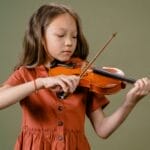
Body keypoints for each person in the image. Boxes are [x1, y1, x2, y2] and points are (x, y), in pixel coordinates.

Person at [0, 3, 150, 150]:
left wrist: (129, 103)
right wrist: (40, 83)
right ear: (40, 36)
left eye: (74, 36)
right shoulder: (26, 74)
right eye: (60, 35)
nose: (69, 43)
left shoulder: (84, 74)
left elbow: (103, 130)